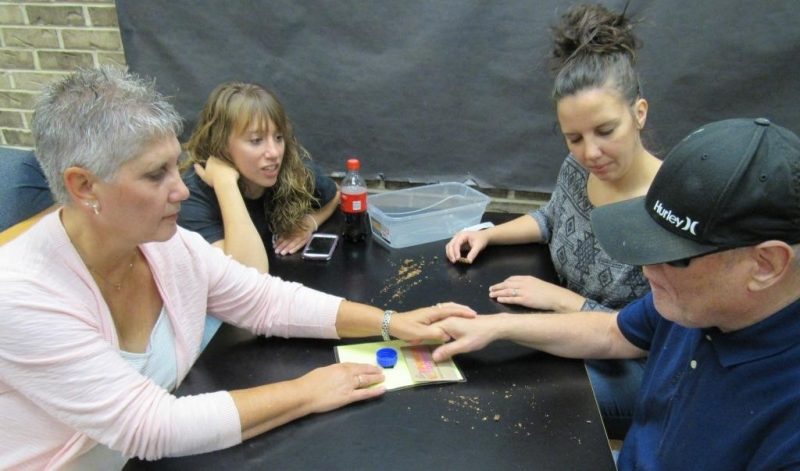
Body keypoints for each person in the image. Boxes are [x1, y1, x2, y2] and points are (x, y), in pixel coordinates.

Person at [0, 66, 475, 470]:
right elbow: (150, 426)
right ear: (84, 187)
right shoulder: (21, 294)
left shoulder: (168, 246)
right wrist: (307, 392)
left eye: (175, 166)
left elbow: (266, 299)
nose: (181, 190)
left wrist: (392, 323)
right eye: (155, 175)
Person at [433, 117, 800, 469]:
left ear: (765, 265)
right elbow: (612, 333)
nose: (647, 269)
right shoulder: (695, 303)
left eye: (676, 258)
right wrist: (496, 328)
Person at [444, 3, 660, 437]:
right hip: (572, 331)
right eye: (574, 137)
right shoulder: (580, 169)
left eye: (605, 131)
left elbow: (646, 335)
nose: (590, 152)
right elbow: (552, 217)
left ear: (639, 113)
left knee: (523, 392)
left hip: (633, 365)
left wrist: (560, 299)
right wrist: (488, 234)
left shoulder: (667, 212)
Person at [179, 82, 340, 272]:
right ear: (221, 144)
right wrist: (225, 183)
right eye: (256, 141)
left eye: (279, 138)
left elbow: (334, 194)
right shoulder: (192, 198)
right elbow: (245, 278)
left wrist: (309, 223)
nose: (274, 153)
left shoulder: (288, 169)